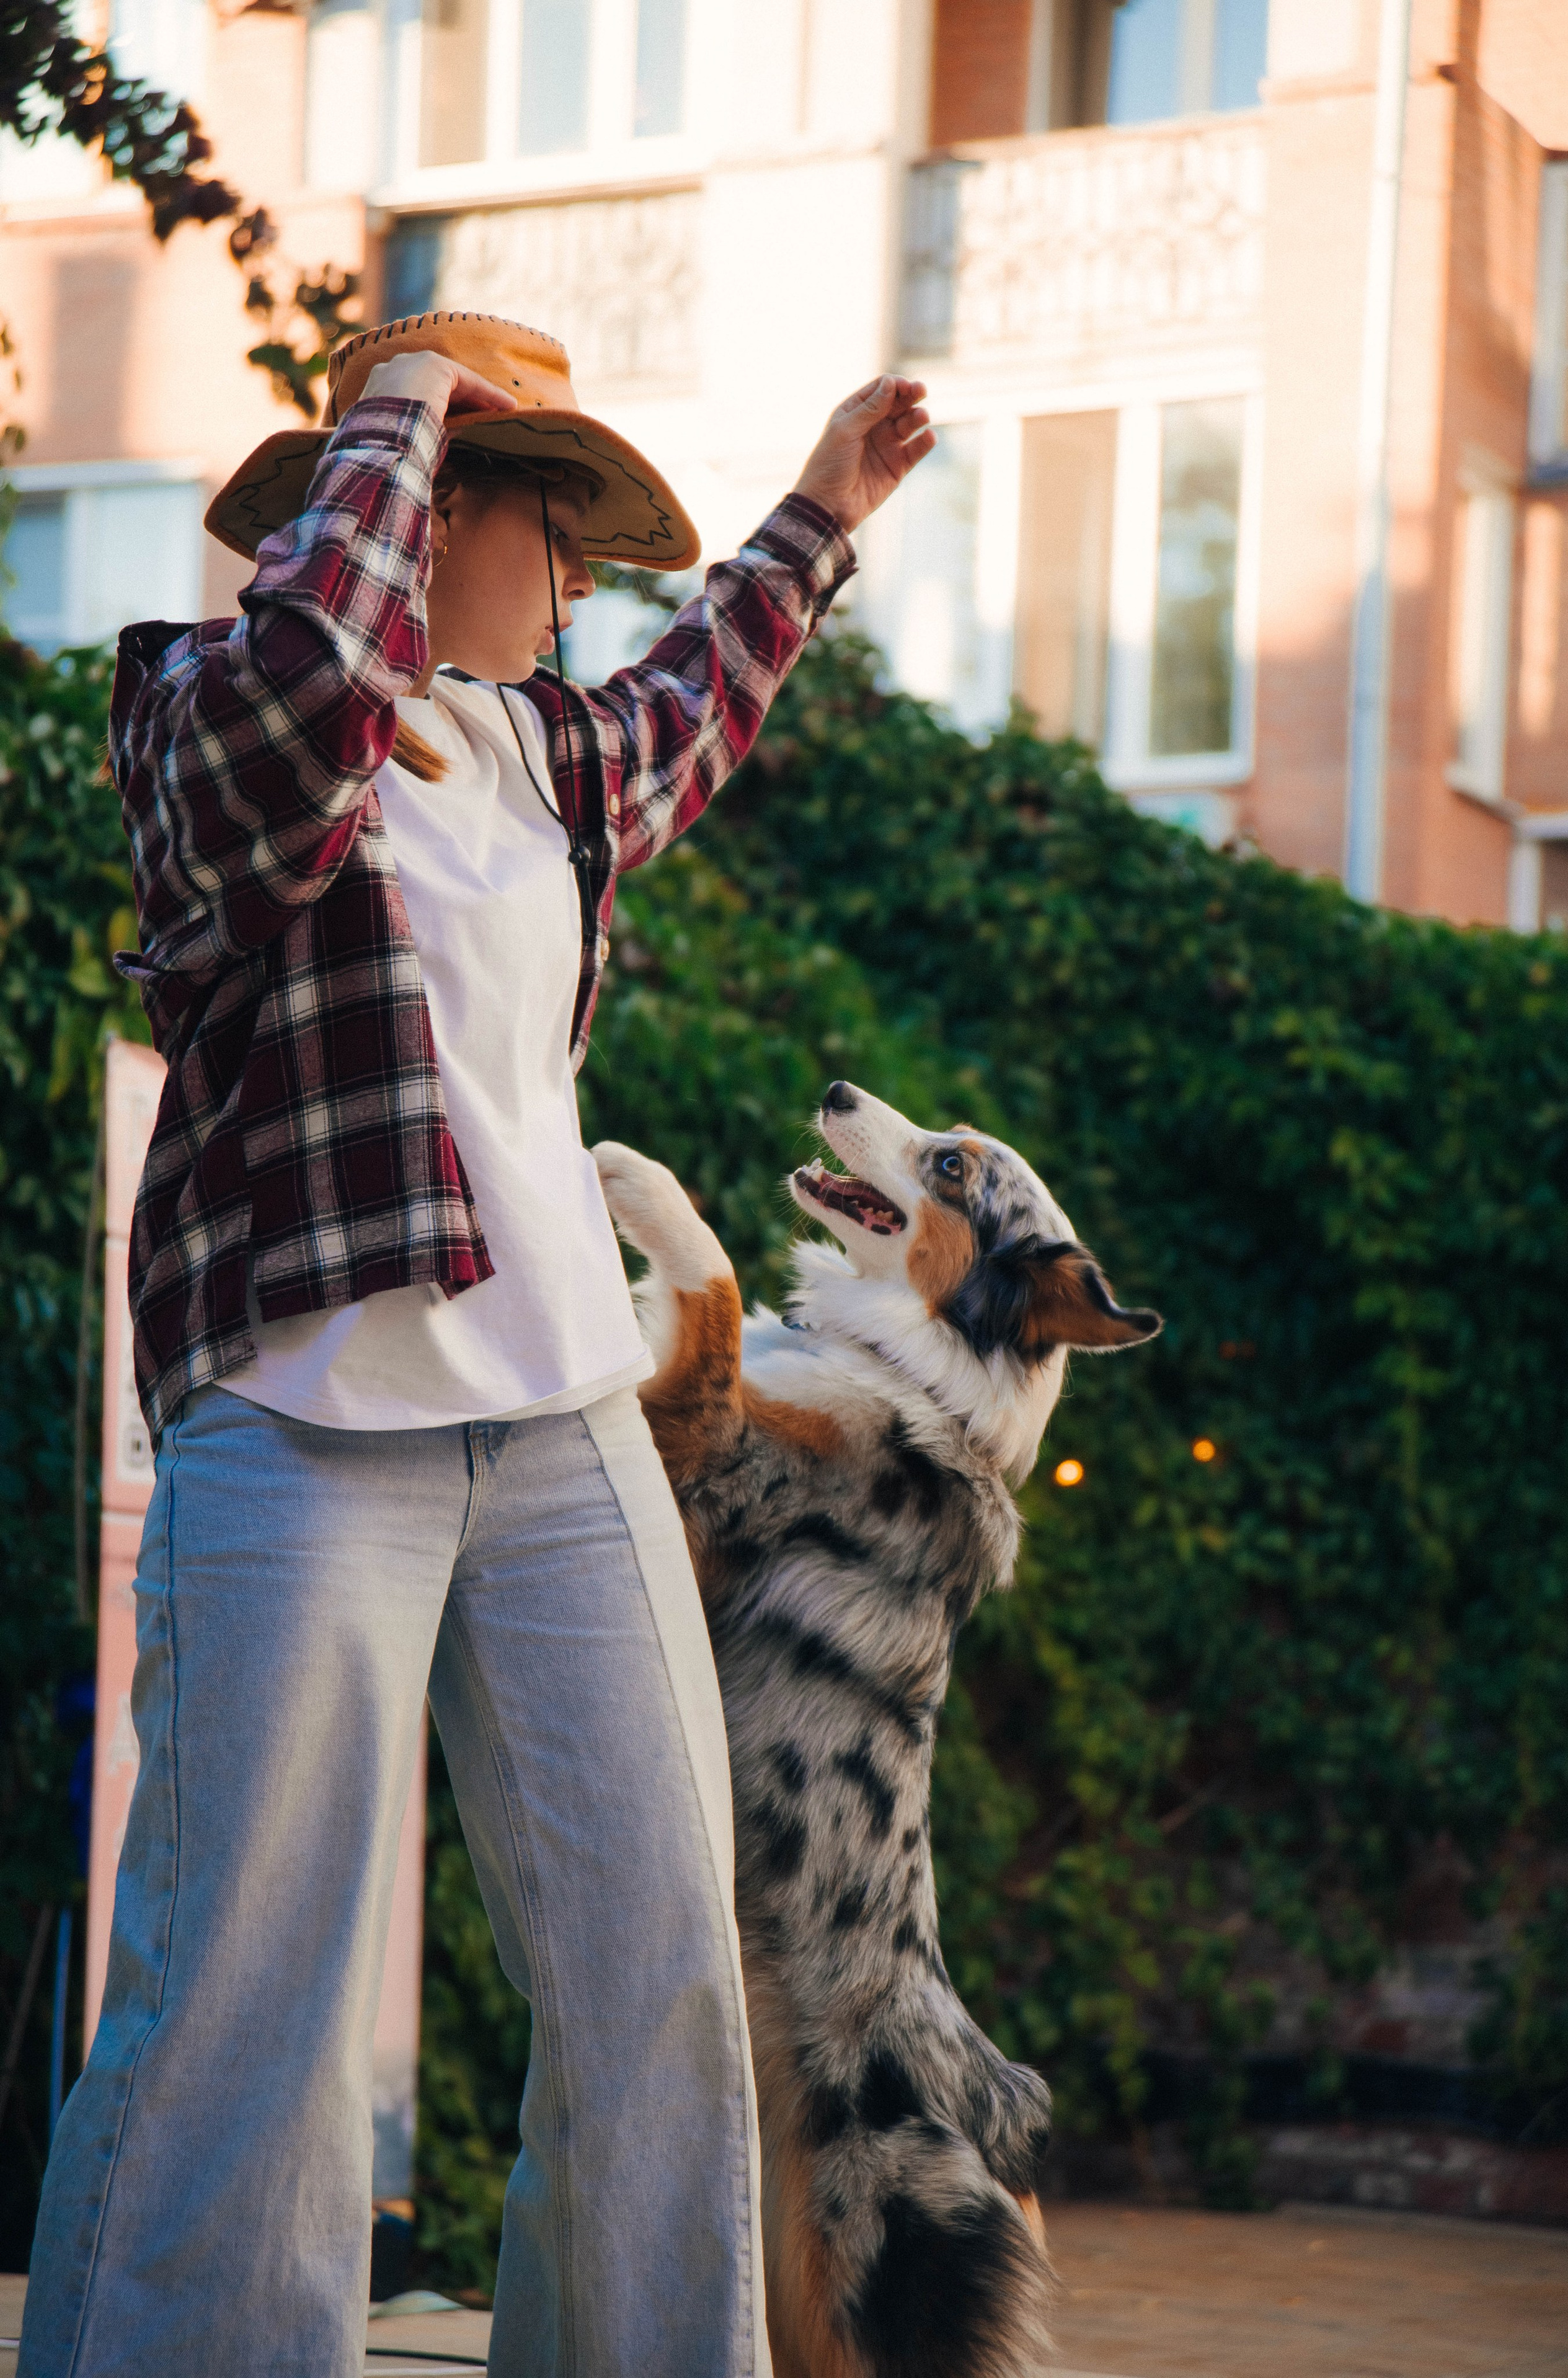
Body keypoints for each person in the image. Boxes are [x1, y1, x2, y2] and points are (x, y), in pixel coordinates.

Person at [18, 312, 932, 2378]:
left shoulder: (544, 751)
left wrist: (818, 516)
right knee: (250, 1997)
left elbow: (698, 698)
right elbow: (303, 701)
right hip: (299, 1415)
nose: (594, 579)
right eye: (562, 519)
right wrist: (411, 390)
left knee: (664, 1971)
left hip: (562, 1421)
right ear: (428, 511)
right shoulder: (195, 705)